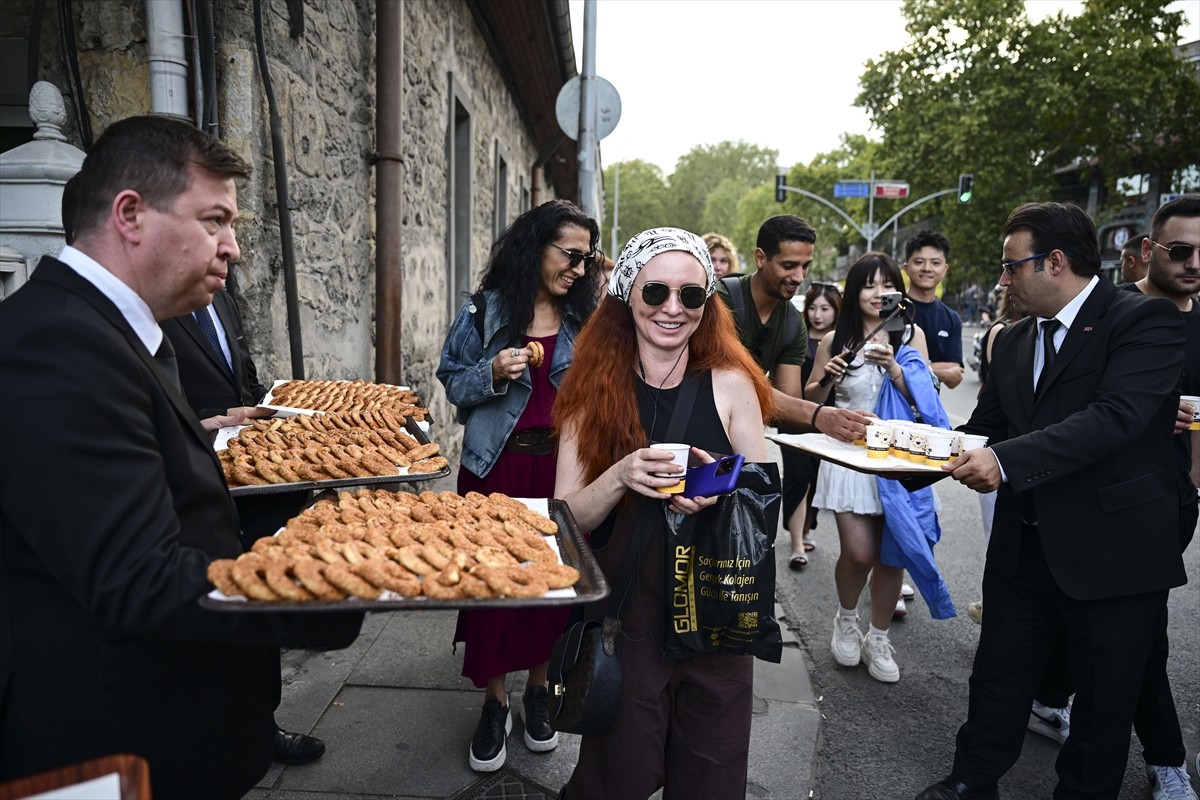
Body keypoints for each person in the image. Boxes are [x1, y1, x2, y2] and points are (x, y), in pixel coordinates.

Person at [0, 115, 363, 799]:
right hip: (117, 748)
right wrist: (336, 586)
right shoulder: (58, 343)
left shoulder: (108, 331)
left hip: (177, 724)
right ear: (130, 214)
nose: (231, 247)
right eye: (215, 220)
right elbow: (135, 576)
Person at [919, 202, 1187, 800]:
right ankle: (970, 779)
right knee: (999, 675)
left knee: (1105, 696)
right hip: (1024, 546)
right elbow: (985, 429)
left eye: (1011, 266)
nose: (1002, 280)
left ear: (1056, 262)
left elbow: (1114, 418)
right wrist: (893, 446)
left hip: (1113, 551)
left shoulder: (1144, 320)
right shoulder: (1010, 341)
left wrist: (1006, 462)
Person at [553, 227, 774, 799]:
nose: (673, 309)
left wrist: (720, 489)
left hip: (718, 610)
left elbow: (765, 491)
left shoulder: (731, 383)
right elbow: (566, 517)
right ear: (627, 293)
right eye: (656, 293)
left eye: (691, 295)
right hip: (631, 615)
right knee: (617, 777)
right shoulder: (591, 389)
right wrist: (621, 476)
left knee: (712, 776)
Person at [1022, 195, 1200, 800]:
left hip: (1173, 497)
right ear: (1148, 251)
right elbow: (1095, 418)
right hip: (1094, 500)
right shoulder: (1111, 314)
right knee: (1131, 636)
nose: (1194, 262)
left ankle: (1048, 695)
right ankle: (1165, 758)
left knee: (1129, 632)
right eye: (1181, 250)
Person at [437, 199, 600, 772]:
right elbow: (453, 384)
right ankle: (494, 702)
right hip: (494, 469)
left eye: (586, 259)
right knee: (492, 588)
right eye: (570, 255)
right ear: (537, 248)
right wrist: (490, 373)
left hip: (560, 471)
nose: (578, 269)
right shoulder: (485, 310)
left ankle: (538, 690)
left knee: (550, 585)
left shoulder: (587, 320)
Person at [162, 289, 329, 764]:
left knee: (259, 602)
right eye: (214, 222)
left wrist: (264, 412)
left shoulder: (222, 297)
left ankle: (262, 725)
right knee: (212, 608)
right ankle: (207, 732)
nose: (230, 246)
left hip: (255, 486)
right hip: (194, 482)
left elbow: (244, 373)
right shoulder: (155, 302)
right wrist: (204, 424)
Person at [805, 253, 948, 683]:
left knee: (894, 553)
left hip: (900, 457)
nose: (879, 292)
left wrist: (895, 369)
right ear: (853, 291)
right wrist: (828, 377)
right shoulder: (835, 337)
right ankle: (847, 619)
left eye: (888, 284)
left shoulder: (911, 335)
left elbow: (929, 395)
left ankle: (878, 636)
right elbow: (810, 398)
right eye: (869, 284)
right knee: (859, 552)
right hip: (850, 456)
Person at [716, 216, 873, 572]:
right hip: (695, 438)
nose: (799, 277)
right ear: (760, 258)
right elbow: (725, 384)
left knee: (738, 560)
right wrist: (821, 416)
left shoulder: (791, 322)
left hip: (739, 444)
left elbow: (782, 402)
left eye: (805, 266)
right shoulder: (722, 300)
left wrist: (835, 424)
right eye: (788, 265)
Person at [790, 281, 842, 567]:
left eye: (825, 308)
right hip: (796, 420)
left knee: (816, 478)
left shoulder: (842, 341)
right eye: (812, 307)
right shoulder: (796, 336)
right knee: (798, 477)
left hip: (830, 422)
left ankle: (807, 527)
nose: (817, 314)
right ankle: (797, 543)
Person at [902, 230, 964, 391]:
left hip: (928, 411)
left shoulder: (951, 318)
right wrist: (937, 368)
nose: (927, 268)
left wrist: (913, 368)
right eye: (919, 262)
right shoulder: (893, 310)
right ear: (906, 268)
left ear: (945, 269)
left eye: (935, 263)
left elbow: (955, 377)